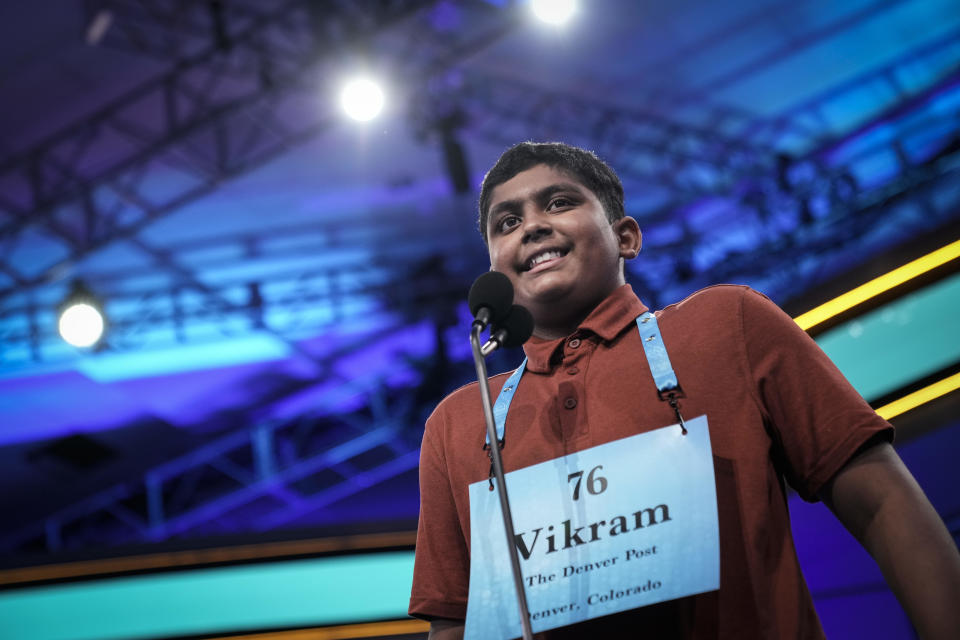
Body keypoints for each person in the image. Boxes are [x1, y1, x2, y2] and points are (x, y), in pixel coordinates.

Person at [408, 142, 960, 639]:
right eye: (507, 222)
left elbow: (882, 501)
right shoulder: (459, 424)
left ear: (626, 237)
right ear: (494, 268)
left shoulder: (729, 324)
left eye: (558, 203)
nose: (531, 226)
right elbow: (455, 625)